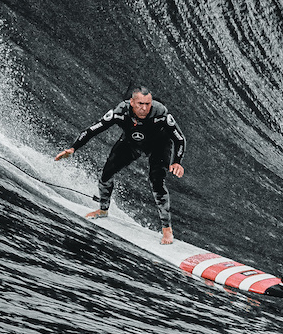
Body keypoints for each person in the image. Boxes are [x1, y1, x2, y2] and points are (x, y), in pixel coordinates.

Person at [54, 87, 187, 244]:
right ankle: (103, 210)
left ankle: (167, 230)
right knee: (106, 175)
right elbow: (93, 129)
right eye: (140, 104)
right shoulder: (120, 112)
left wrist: (177, 161)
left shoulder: (161, 114)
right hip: (132, 143)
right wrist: (73, 148)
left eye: (148, 104)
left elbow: (180, 139)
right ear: (131, 102)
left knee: (156, 181)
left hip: (159, 145)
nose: (144, 108)